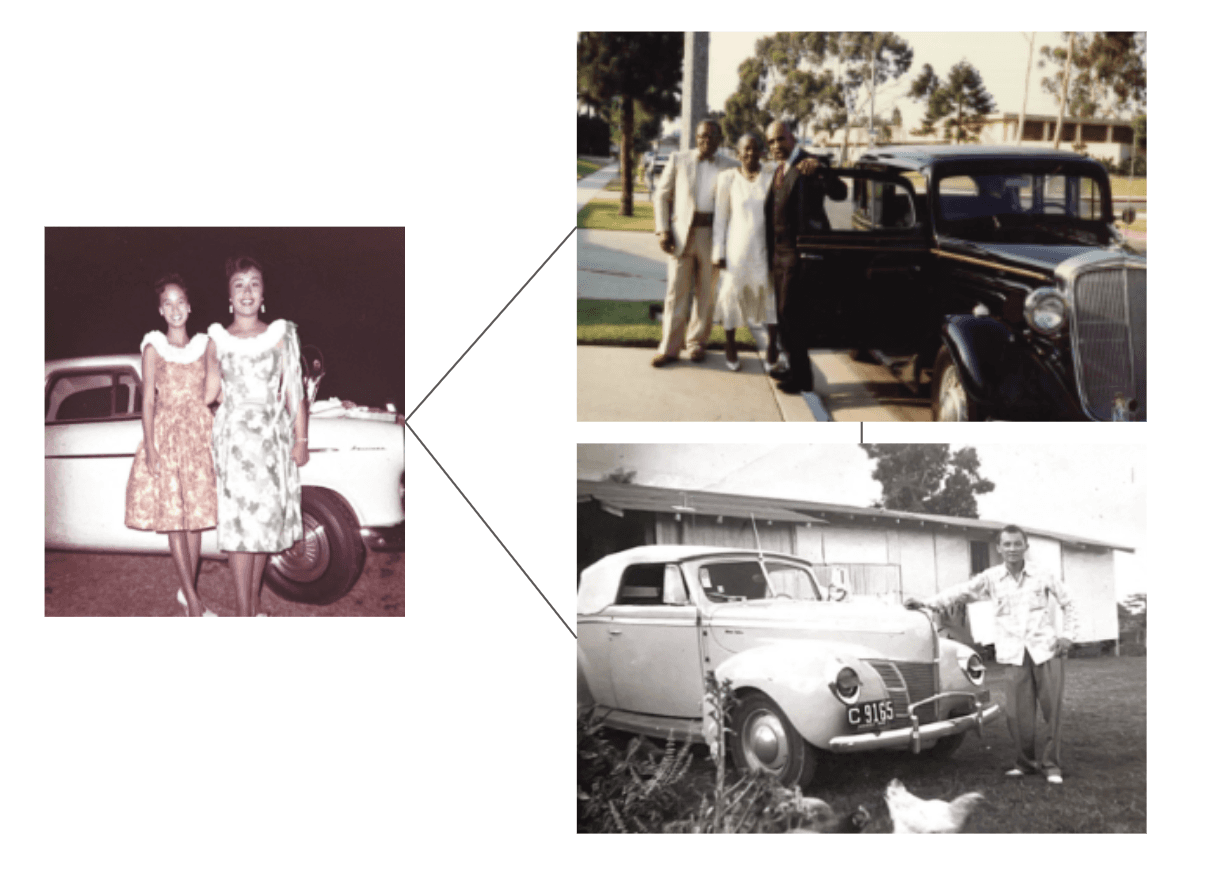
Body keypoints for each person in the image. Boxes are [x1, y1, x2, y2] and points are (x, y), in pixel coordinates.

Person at [905, 525, 1079, 784]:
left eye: (1017, 544)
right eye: (1006, 544)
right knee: (1017, 715)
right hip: (1014, 655)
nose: (1012, 549)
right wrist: (927, 603)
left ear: (1025, 546)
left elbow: (1069, 602)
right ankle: (1025, 763)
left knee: (1051, 712)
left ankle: (1052, 764)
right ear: (999, 548)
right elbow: (961, 592)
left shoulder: (1042, 574)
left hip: (1046, 651)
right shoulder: (991, 577)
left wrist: (1068, 636)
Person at [206, 256, 309, 617]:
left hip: (270, 440)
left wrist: (300, 440)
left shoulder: (281, 334)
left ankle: (252, 605)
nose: (247, 291)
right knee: (238, 526)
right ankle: (243, 611)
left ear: (263, 293)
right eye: (239, 284)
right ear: (229, 296)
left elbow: (294, 392)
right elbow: (209, 394)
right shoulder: (216, 339)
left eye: (253, 283)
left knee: (262, 524)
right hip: (233, 441)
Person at [125, 275, 219, 617]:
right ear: (161, 310)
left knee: (194, 518)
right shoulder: (153, 348)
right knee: (175, 520)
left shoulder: (206, 345)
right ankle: (194, 605)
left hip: (198, 434)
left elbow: (215, 389)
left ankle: (186, 591)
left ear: (189, 307)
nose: (175, 308)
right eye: (168, 303)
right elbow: (148, 400)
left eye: (181, 302)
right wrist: (150, 446)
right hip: (166, 434)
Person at [763, 120, 847, 393]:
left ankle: (803, 378)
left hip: (799, 255)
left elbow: (840, 192)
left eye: (780, 139)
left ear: (792, 137)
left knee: (792, 315)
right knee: (783, 316)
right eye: (771, 142)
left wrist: (821, 170)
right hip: (779, 255)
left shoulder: (809, 164)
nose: (776, 145)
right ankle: (794, 367)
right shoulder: (780, 169)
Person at [650, 120, 738, 367]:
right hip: (681, 235)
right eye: (701, 136)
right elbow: (662, 196)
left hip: (713, 236)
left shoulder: (731, 167)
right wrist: (663, 230)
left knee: (706, 294)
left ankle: (697, 344)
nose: (705, 141)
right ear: (695, 138)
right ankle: (668, 348)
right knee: (675, 293)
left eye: (711, 137)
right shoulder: (679, 160)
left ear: (720, 140)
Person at [711, 132, 778, 372]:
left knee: (769, 297)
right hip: (736, 250)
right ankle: (731, 346)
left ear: (762, 151)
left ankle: (772, 349)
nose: (750, 153)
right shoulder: (727, 178)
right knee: (731, 296)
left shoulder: (770, 177)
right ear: (738, 153)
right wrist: (718, 251)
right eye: (745, 149)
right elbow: (720, 218)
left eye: (755, 148)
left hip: (763, 249)